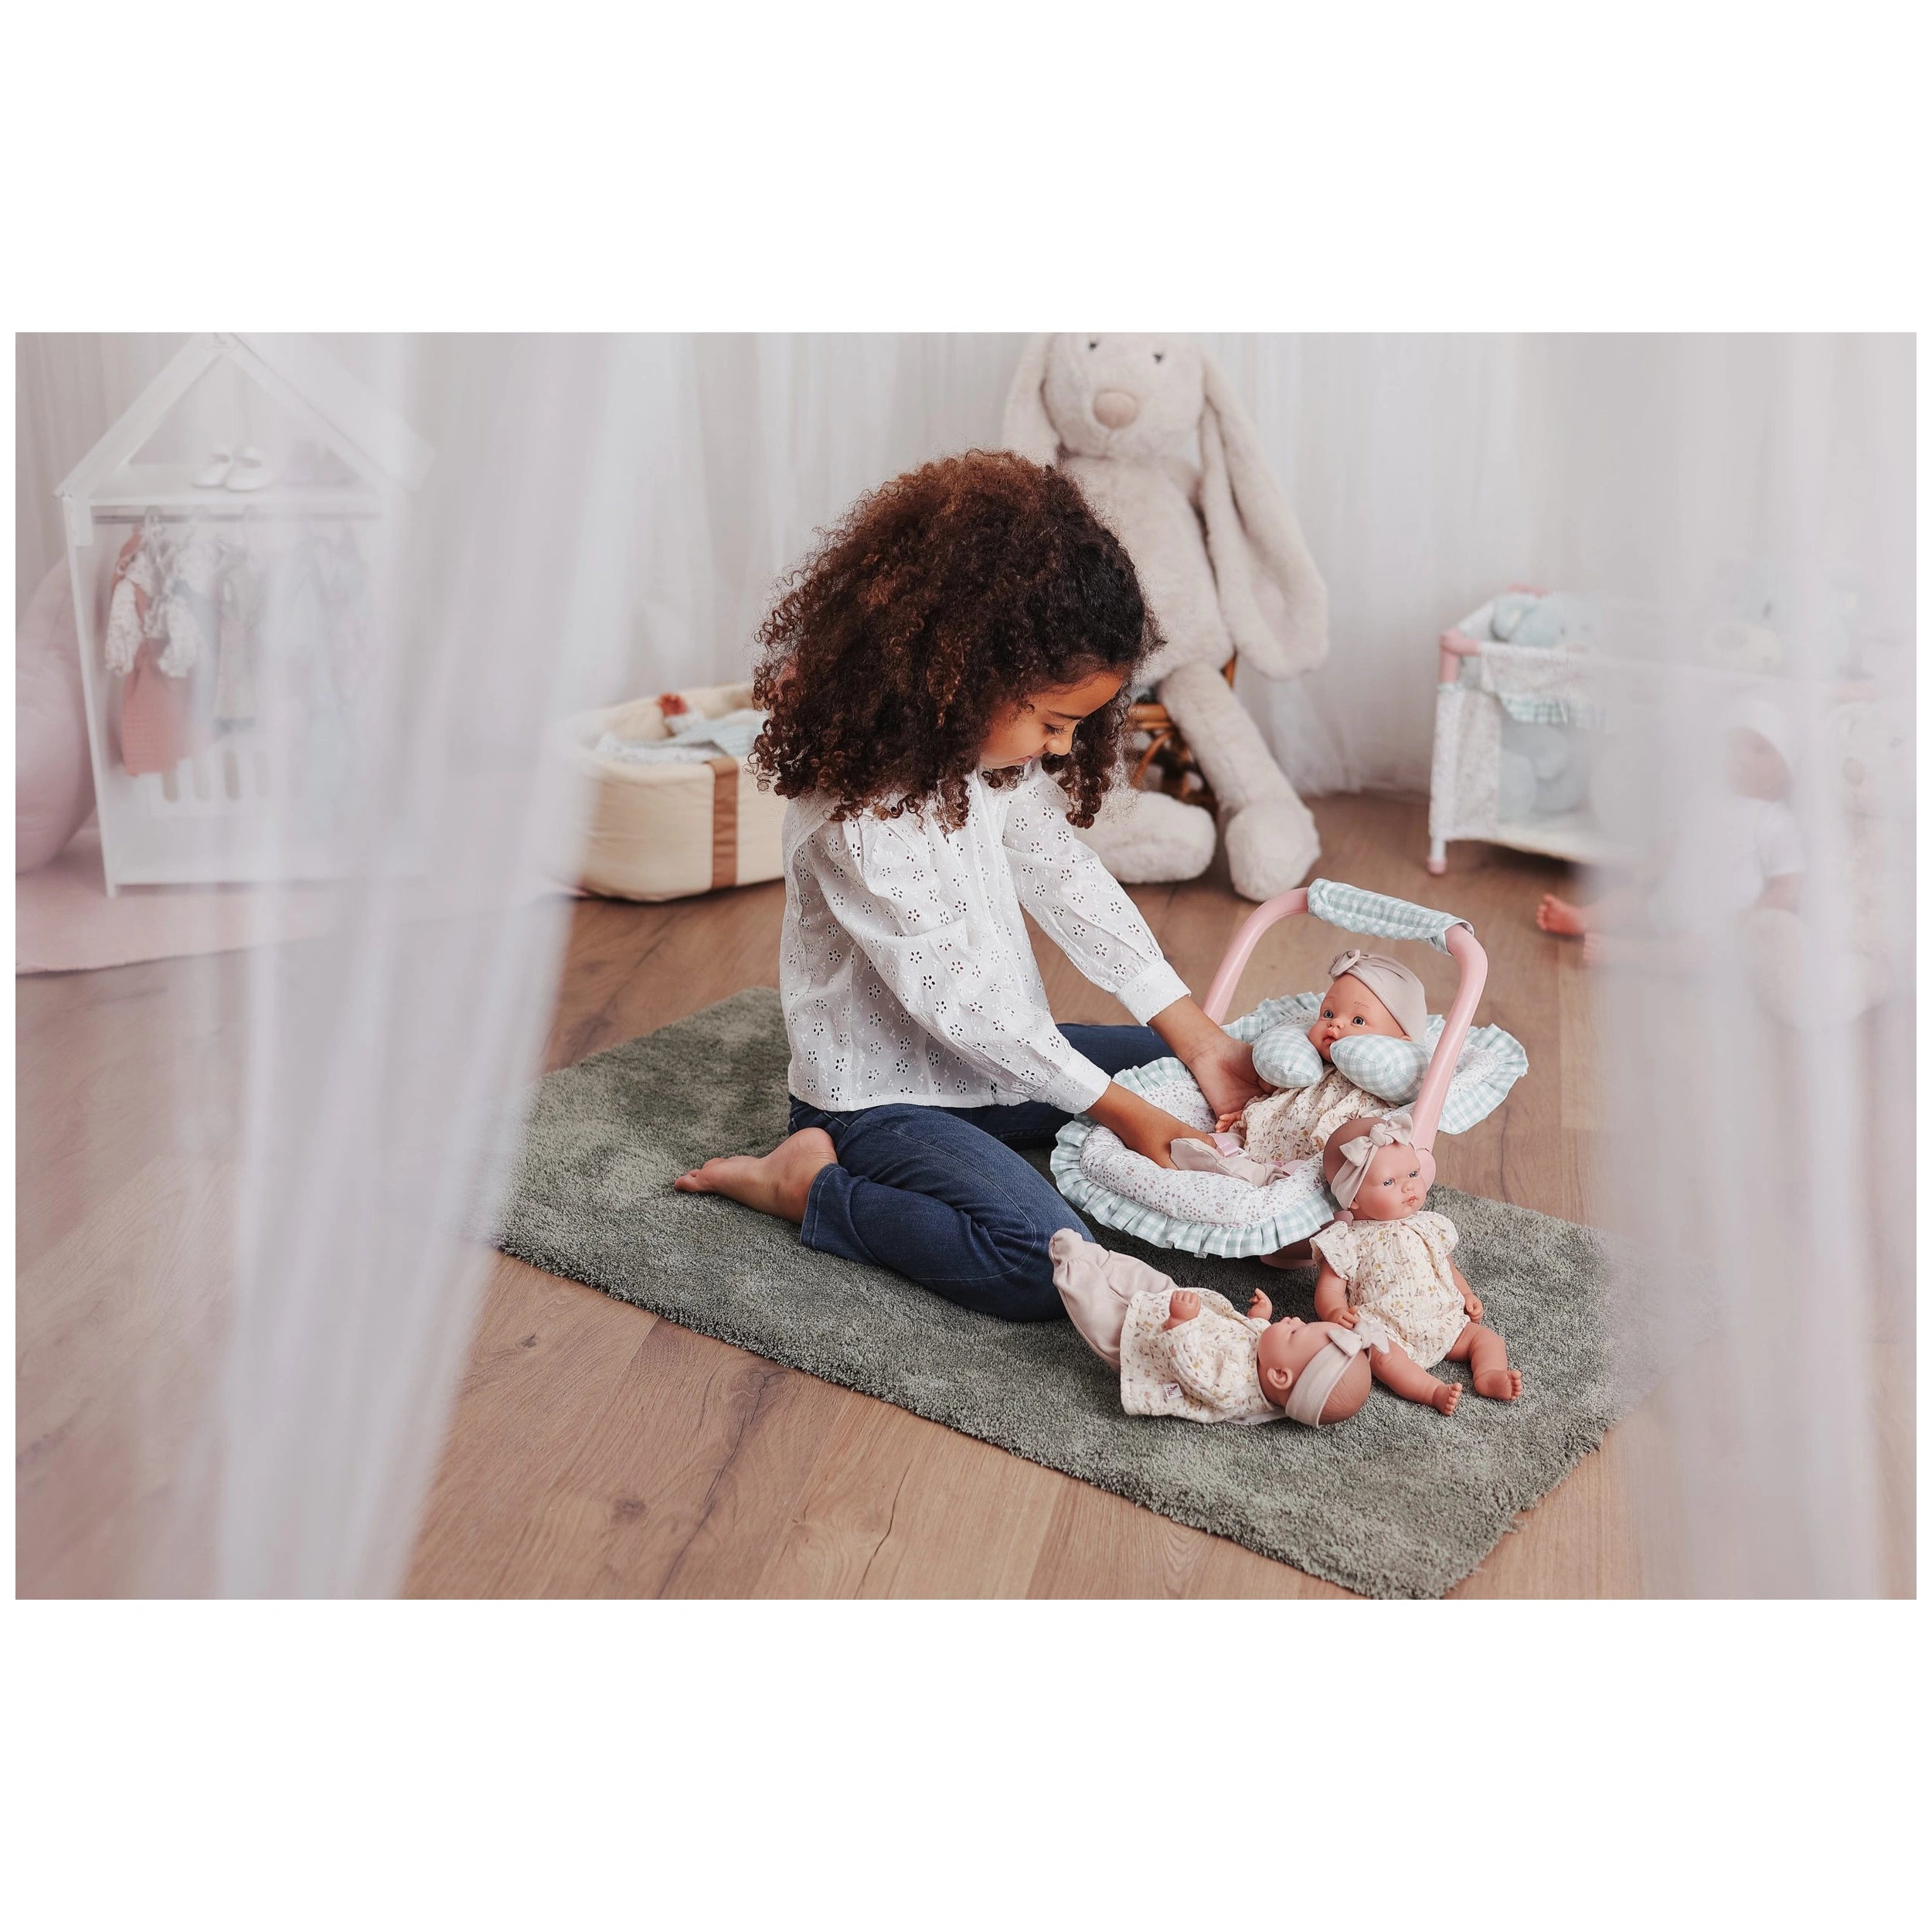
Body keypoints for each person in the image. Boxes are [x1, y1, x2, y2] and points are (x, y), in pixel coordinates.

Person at [675, 451, 1264, 1320]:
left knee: (1196, 1067)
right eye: (1053, 721)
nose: (1062, 748)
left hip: (997, 1064)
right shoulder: (857, 815)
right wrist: (1122, 1113)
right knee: (1044, 1265)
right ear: (960, 674)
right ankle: (807, 1187)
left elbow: (1063, 876)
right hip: (881, 1099)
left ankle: (1153, 1086)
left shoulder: (984, 761)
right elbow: (965, 1005)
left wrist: (1191, 1029)